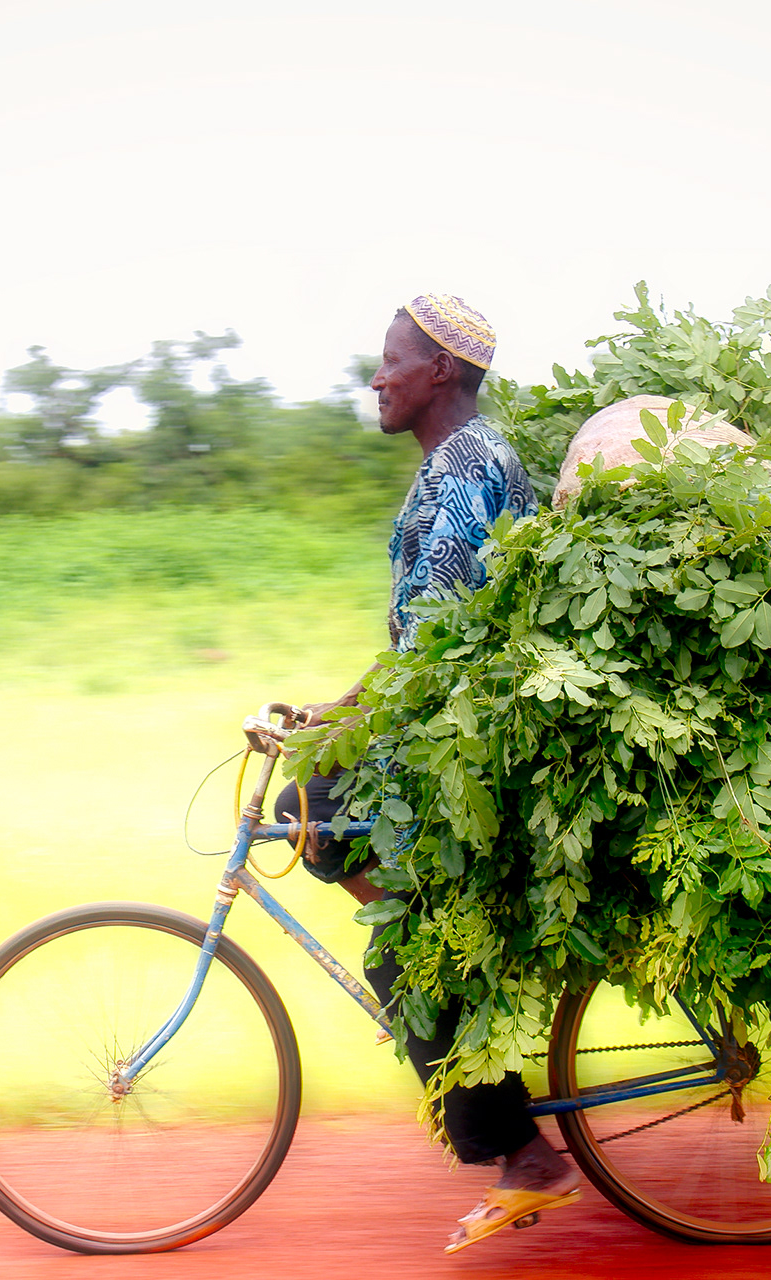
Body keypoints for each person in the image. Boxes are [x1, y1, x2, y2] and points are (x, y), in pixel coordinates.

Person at [275, 295, 582, 1254]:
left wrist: (353, 713)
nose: (377, 377)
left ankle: (527, 1155)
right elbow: (428, 635)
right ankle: (427, 963)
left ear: (439, 372)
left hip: (468, 747)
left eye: (391, 362)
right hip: (455, 728)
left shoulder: (458, 470)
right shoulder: (468, 458)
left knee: (326, 839)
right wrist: (341, 710)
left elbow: (440, 644)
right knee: (314, 815)